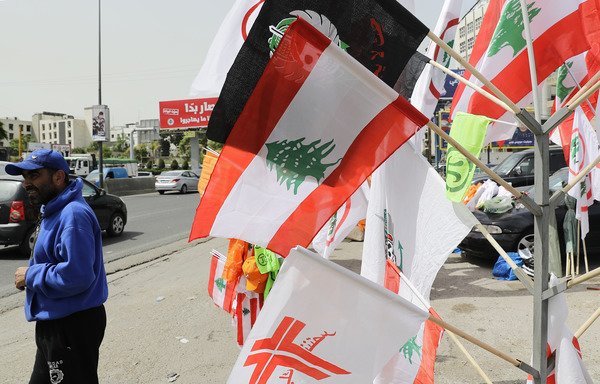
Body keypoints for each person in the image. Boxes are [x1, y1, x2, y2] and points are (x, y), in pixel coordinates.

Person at [9, 149, 108, 384]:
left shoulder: (73, 215)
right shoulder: (54, 210)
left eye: (34, 176)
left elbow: (77, 276)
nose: (26, 184)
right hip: (56, 320)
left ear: (58, 177)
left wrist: (31, 275)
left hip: (72, 324)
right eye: (25, 177)